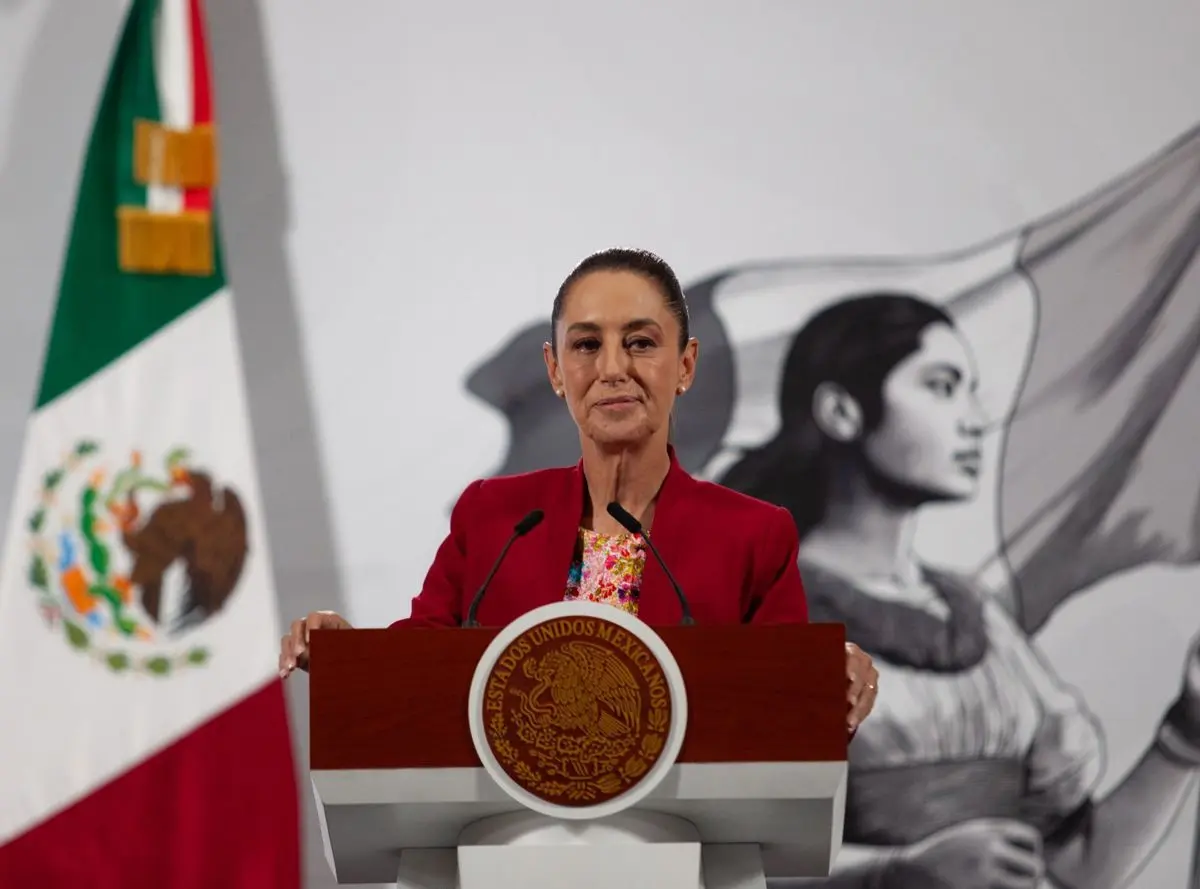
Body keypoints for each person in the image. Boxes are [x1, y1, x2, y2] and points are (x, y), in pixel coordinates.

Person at [280, 247, 879, 733]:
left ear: (687, 365)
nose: (612, 368)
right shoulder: (493, 517)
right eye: (587, 345)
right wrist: (349, 656)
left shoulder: (754, 533)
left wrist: (830, 683)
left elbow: (787, 711)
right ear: (556, 370)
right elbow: (420, 664)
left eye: (641, 342)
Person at [719, 292, 1200, 889]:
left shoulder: (981, 622)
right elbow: (713, 868)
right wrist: (899, 876)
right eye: (942, 387)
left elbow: (1077, 870)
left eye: (971, 390)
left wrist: (1186, 731)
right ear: (842, 411)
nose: (974, 419)